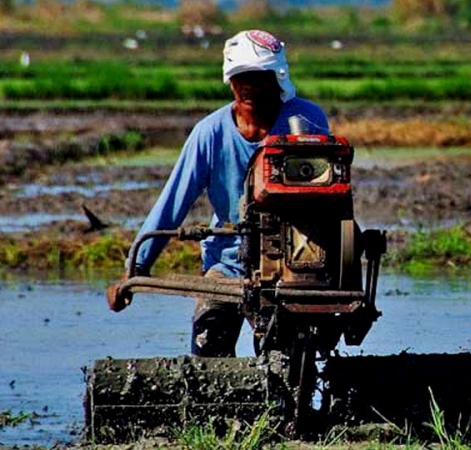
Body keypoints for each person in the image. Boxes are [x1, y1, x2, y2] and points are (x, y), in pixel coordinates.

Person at [106, 30, 330, 357]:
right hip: (229, 262)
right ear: (230, 79)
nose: (250, 87)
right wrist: (134, 270)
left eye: (258, 78)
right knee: (208, 347)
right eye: (242, 79)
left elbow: (330, 196)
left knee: (287, 359)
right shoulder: (210, 133)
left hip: (295, 263)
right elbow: (173, 202)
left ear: (277, 77)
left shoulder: (306, 121)